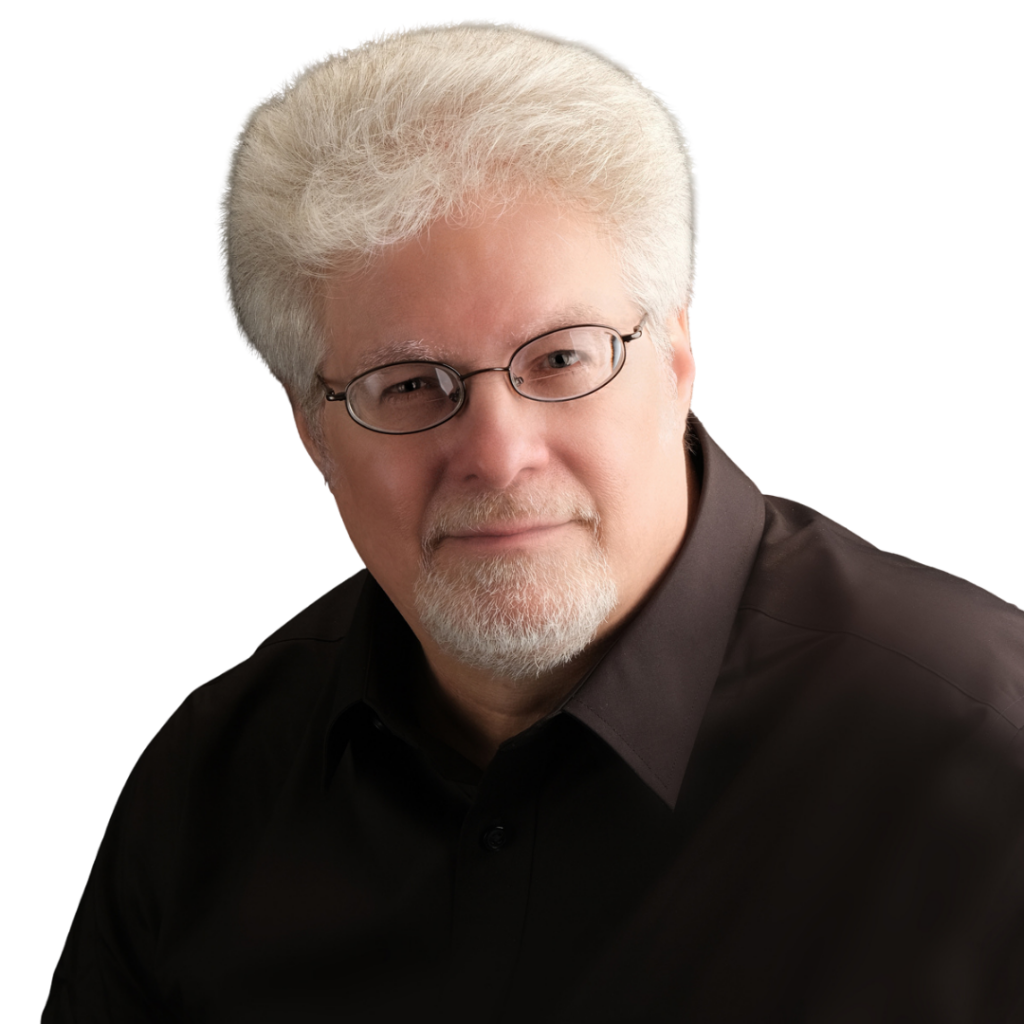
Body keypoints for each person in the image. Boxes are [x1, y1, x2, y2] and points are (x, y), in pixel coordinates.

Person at [43, 19, 1023, 1024]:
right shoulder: (206, 792)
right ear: (312, 435)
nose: (500, 454)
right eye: (409, 383)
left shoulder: (988, 749)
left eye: (560, 358)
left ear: (677, 355)